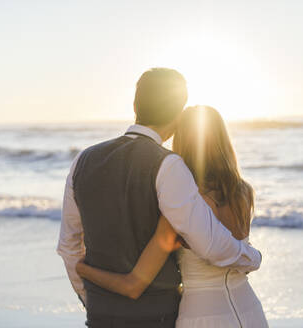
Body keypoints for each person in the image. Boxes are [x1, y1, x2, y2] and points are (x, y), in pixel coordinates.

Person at [57, 68, 262, 328]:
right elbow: (210, 245)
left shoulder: (82, 160)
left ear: (135, 104)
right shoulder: (169, 165)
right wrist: (253, 258)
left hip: (101, 316)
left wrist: (91, 300)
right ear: (178, 114)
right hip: (160, 317)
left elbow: (68, 248)